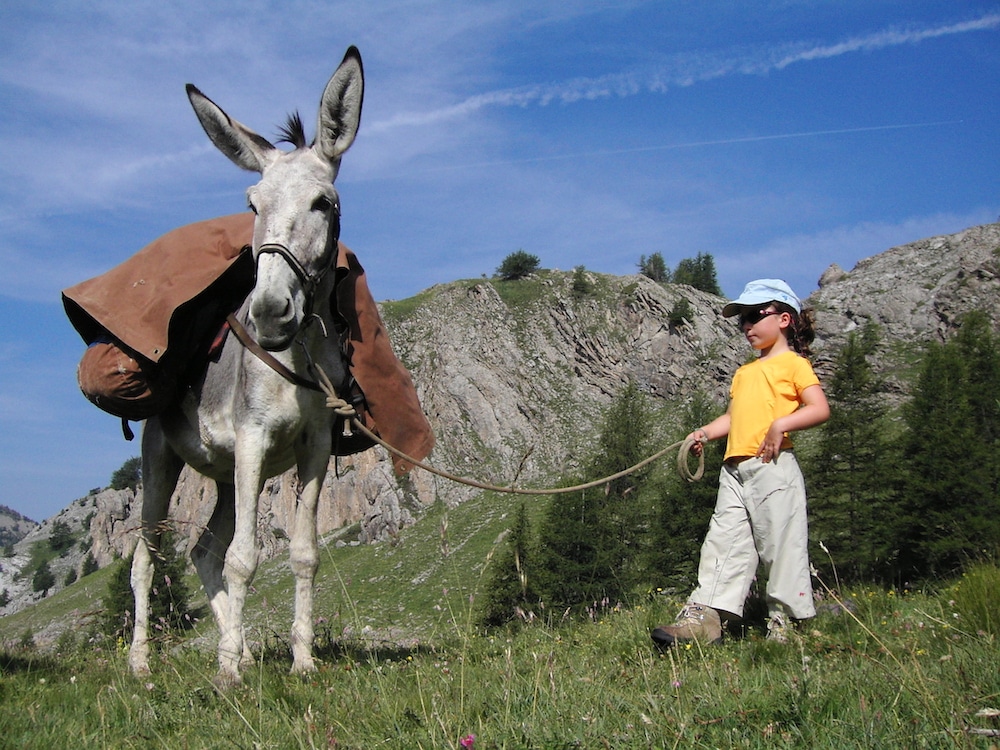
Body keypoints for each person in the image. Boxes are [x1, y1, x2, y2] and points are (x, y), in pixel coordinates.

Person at [652, 279, 830, 647]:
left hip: (773, 466)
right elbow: (733, 418)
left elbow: (819, 408)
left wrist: (781, 424)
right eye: (742, 321)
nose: (747, 326)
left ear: (784, 319)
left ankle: (786, 622)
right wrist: (703, 433)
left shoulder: (794, 365)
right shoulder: (745, 372)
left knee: (781, 544)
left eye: (753, 316)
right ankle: (706, 619)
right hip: (734, 470)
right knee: (723, 539)